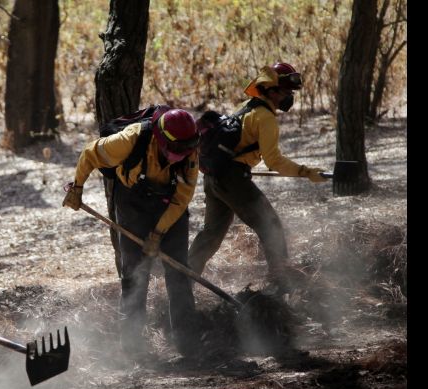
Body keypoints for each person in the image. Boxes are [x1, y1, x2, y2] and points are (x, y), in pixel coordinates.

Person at [62, 107, 204, 359]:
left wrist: (158, 233)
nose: (178, 158)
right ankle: (133, 349)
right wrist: (77, 188)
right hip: (132, 206)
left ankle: (188, 343)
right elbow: (89, 153)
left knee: (180, 273)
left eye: (183, 153)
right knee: (135, 274)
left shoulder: (190, 154)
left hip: (170, 207)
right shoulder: (130, 139)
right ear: (160, 140)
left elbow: (182, 199)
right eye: (174, 153)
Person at [188, 62, 326, 291]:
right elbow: (274, 161)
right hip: (233, 179)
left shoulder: (247, 107)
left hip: (214, 177)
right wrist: (307, 172)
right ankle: (282, 286)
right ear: (270, 89)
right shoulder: (266, 118)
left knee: (211, 234)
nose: (289, 97)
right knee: (270, 226)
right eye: (285, 91)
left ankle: (182, 281)